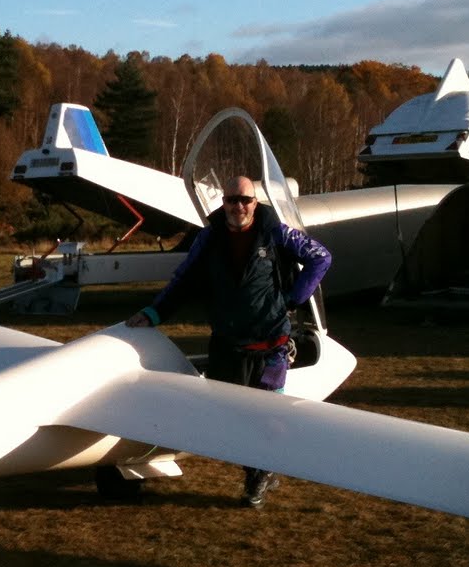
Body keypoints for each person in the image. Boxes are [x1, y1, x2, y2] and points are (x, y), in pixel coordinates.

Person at [125, 175, 332, 508]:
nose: (238, 206)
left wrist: (293, 298)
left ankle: (258, 478)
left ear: (256, 202)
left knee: (266, 416)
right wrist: (154, 313)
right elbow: (185, 279)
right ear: (223, 203)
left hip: (272, 347)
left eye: (245, 200)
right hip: (226, 344)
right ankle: (259, 470)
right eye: (231, 200)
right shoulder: (209, 238)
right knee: (231, 419)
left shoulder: (276, 233)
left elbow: (320, 257)